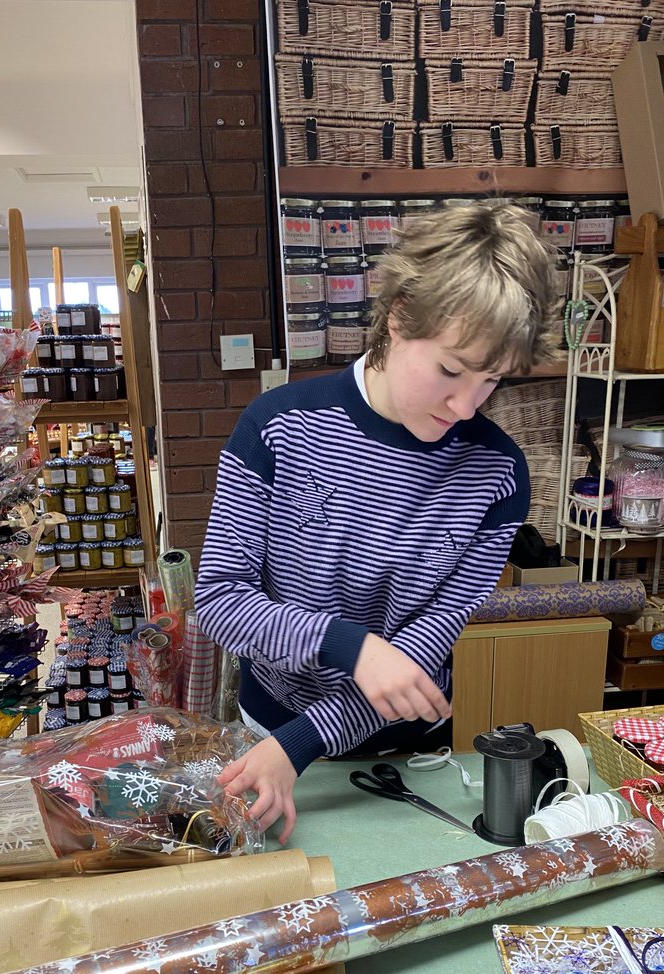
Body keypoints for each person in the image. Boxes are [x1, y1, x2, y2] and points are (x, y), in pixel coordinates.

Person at [195, 202, 560, 843]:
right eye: (450, 369)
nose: (466, 404)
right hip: (270, 732)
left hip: (406, 750)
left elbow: (427, 644)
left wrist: (305, 741)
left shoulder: (496, 474)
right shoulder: (279, 428)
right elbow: (220, 602)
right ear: (397, 319)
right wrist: (351, 647)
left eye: (491, 380)